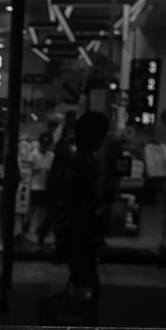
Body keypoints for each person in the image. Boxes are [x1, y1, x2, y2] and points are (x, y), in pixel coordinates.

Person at [50, 111, 111, 301]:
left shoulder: (72, 163)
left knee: (80, 283)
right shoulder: (85, 167)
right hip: (81, 240)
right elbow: (81, 211)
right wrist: (77, 250)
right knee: (87, 288)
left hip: (73, 237)